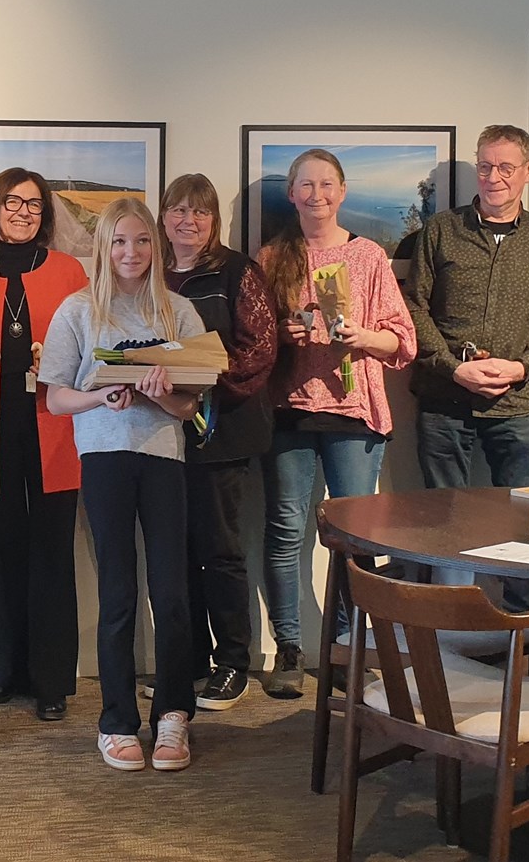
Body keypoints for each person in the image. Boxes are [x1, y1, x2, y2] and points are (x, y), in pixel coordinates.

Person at [38, 197, 205, 771]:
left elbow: (190, 407)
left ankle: (173, 713)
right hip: (105, 457)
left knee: (172, 592)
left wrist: (164, 393)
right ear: (103, 247)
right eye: (119, 242)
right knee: (117, 592)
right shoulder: (78, 310)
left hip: (163, 458)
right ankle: (116, 721)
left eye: (141, 241)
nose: (130, 253)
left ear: (155, 247)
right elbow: (56, 398)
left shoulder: (179, 312)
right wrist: (100, 395)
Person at [256, 149, 416, 699]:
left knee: (354, 538)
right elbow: (252, 341)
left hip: (355, 411)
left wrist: (361, 336)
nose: (317, 194)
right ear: (292, 194)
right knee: (285, 530)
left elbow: (402, 342)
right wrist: (283, 336)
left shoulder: (368, 256)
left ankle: (348, 647)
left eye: (327, 184)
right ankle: (289, 648)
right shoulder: (272, 257)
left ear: (342, 191)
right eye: (306, 185)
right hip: (290, 410)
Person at [0, 168, 89, 722]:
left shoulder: (69, 272)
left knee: (52, 555)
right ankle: (6, 673)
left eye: (34, 204)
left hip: (54, 429)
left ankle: (52, 680)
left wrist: (59, 361)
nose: (23, 212)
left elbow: (91, 346)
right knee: (4, 554)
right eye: (12, 202)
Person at [158, 174, 277, 709]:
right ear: (164, 218)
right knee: (176, 554)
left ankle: (232, 663)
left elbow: (259, 349)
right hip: (161, 432)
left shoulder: (237, 271)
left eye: (199, 212)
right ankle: (188, 663)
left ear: (214, 220)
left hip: (222, 432)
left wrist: (200, 384)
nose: (188, 221)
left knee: (221, 551)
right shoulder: (152, 273)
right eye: (178, 210)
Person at [408, 125, 529, 492]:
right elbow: (414, 306)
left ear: (528, 171)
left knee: (520, 509)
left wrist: (523, 366)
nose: (493, 178)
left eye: (505, 168)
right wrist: (453, 369)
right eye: (485, 167)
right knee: (442, 512)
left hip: (516, 401)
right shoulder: (441, 230)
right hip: (443, 397)